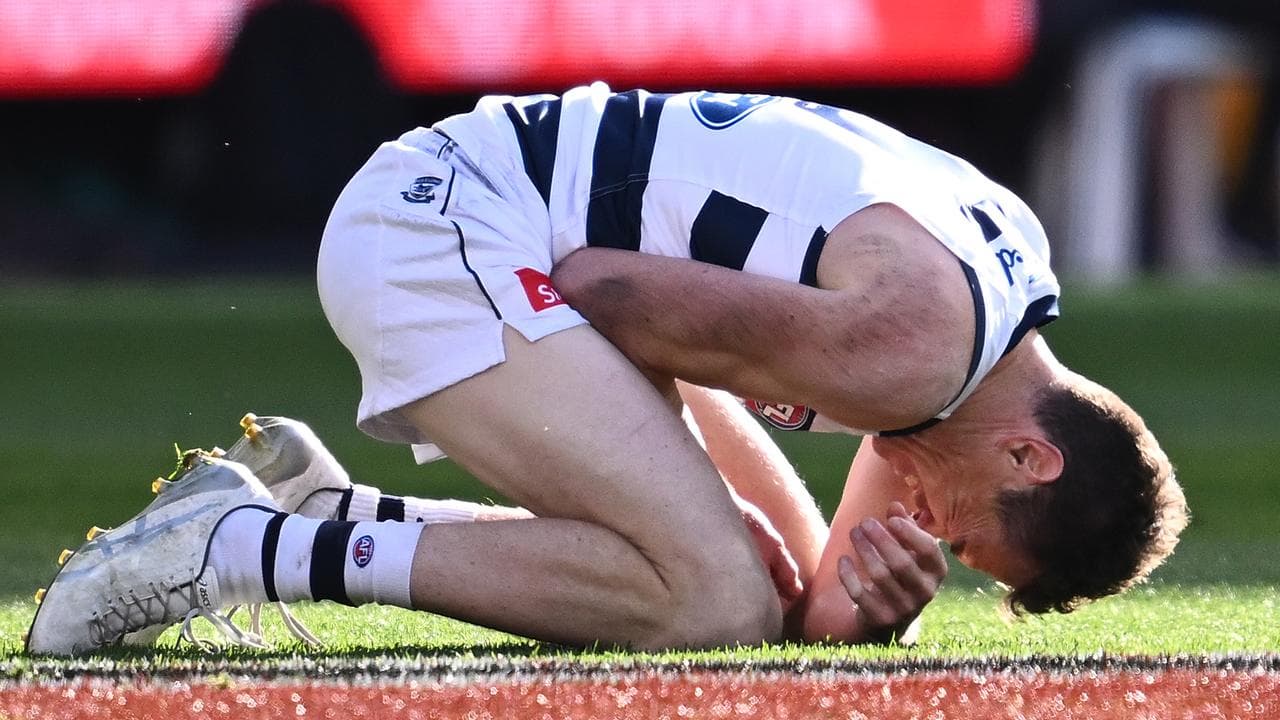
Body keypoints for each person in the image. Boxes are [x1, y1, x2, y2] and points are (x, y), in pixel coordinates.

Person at [26, 84, 1188, 656]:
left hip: (468, 203)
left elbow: (807, 606)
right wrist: (711, 519)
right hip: (450, 227)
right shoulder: (912, 358)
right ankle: (243, 549)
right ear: (1028, 456)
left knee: (736, 591)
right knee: (709, 598)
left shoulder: (977, 331)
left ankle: (324, 515)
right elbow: (605, 294)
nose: (928, 531)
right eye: (964, 536)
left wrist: (861, 617)